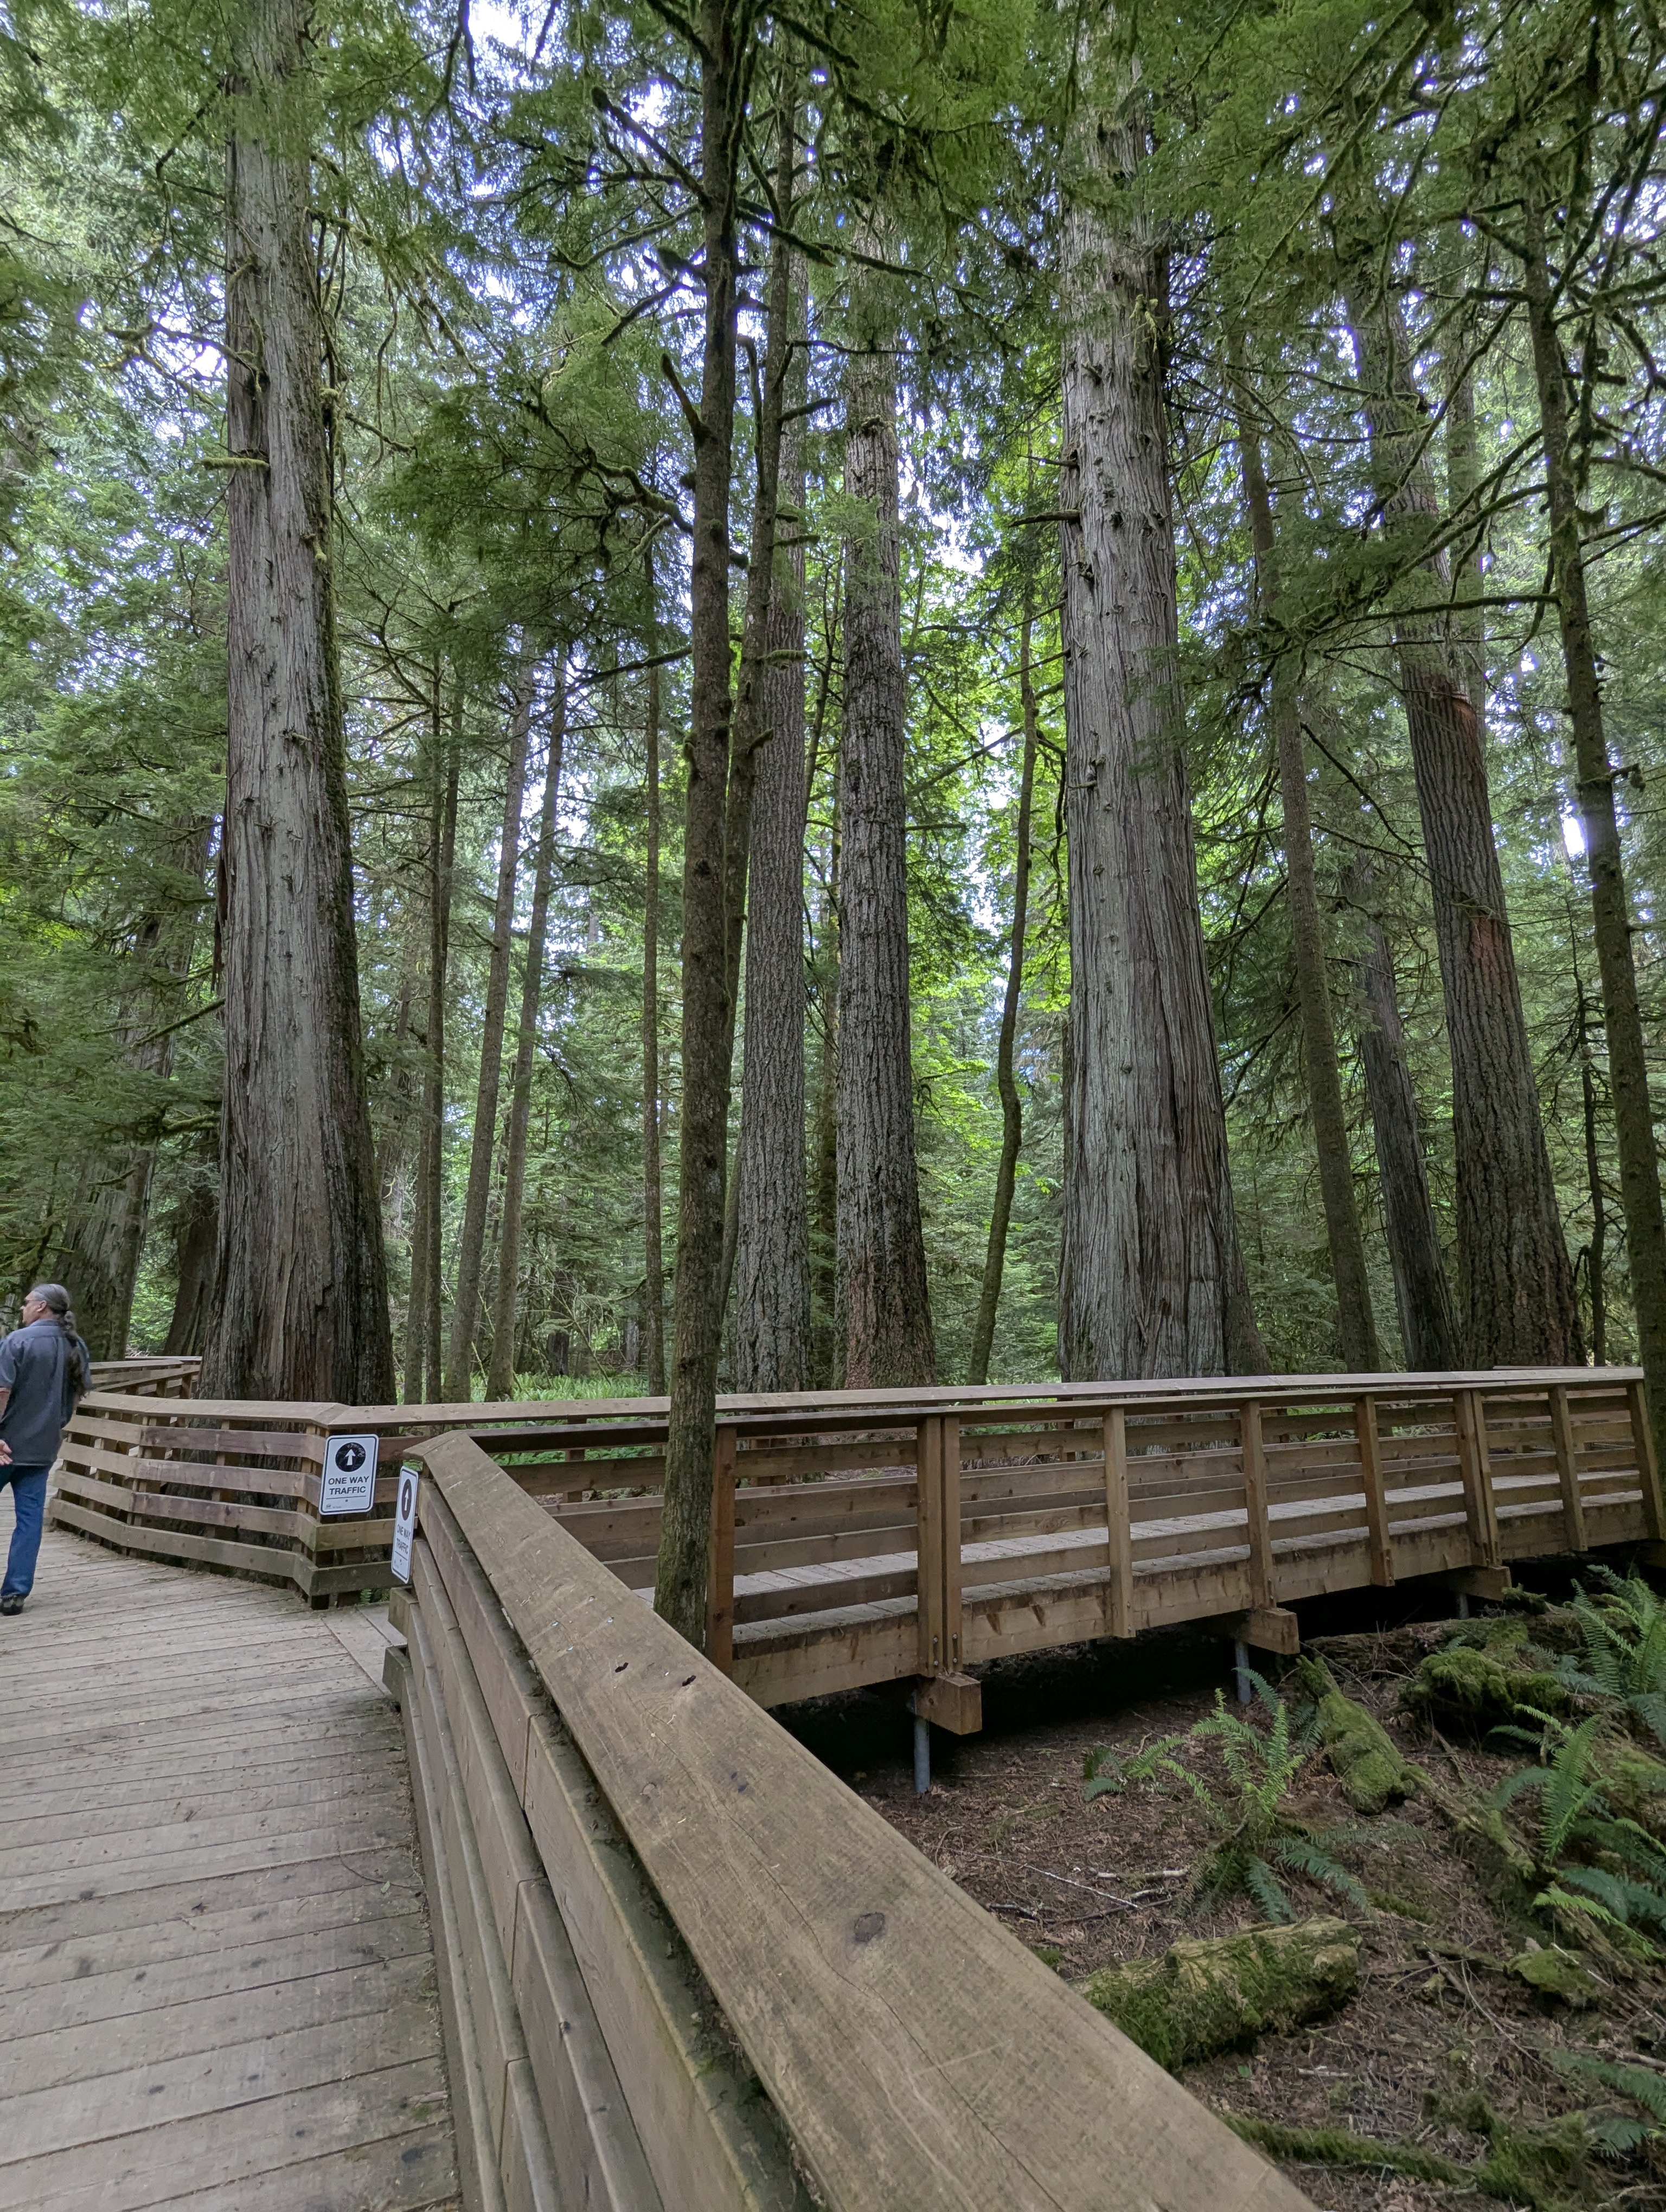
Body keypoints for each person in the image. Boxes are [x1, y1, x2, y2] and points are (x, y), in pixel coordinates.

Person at [0, 1284, 91, 1615]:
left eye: (26, 1303)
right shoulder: (75, 1344)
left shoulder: (18, 1341)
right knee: (29, 1521)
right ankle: (15, 1594)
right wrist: (57, 1425)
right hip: (42, 1448)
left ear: (41, 1307)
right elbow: (78, 1395)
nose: (22, 1308)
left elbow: (2, 1391)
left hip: (5, 1446)